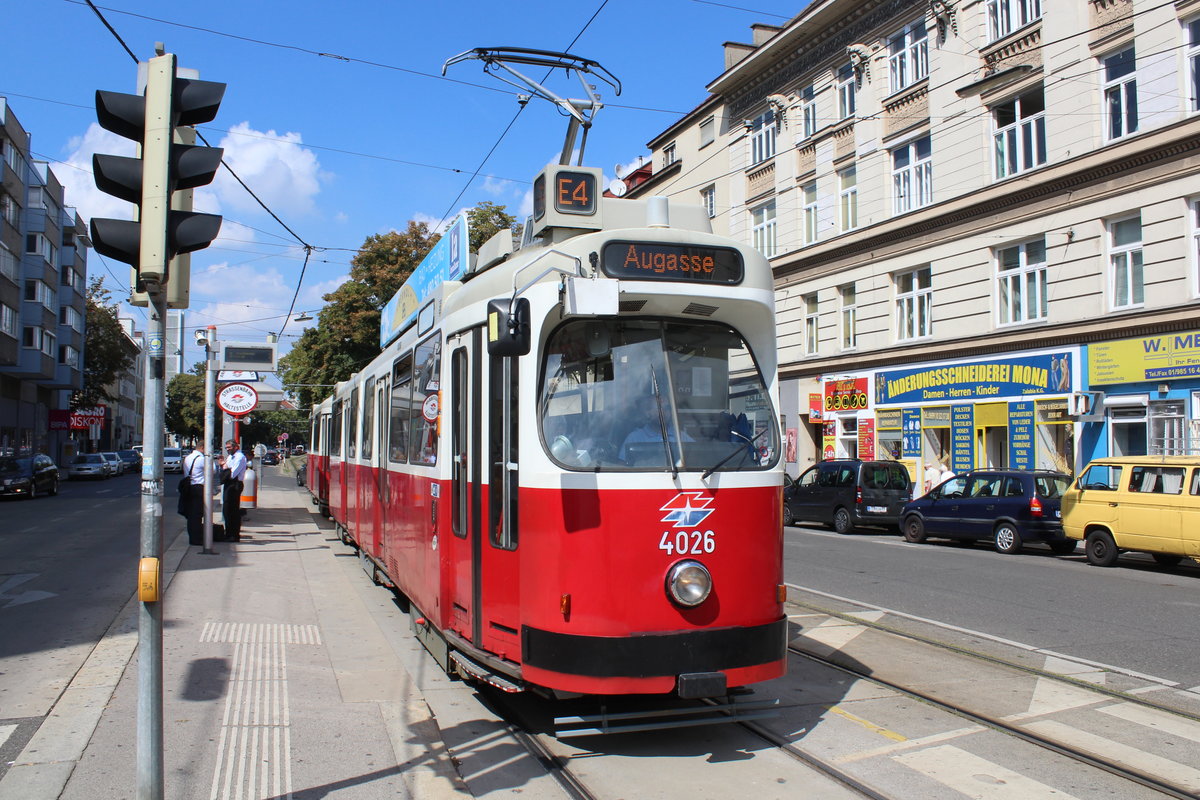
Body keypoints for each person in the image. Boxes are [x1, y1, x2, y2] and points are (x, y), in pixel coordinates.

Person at [219, 439, 248, 541]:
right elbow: (225, 470)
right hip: (229, 484)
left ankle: (234, 534)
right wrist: (224, 466)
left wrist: (225, 466)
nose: (227, 450)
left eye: (229, 448)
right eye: (226, 448)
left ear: (236, 447)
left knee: (232, 510)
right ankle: (228, 532)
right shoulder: (231, 456)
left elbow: (232, 474)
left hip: (234, 485)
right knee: (226, 509)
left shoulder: (239, 458)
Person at [181, 447, 207, 545]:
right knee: (197, 515)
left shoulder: (188, 457)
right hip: (198, 487)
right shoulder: (201, 459)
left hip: (189, 487)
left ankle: (193, 537)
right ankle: (196, 539)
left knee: (191, 514)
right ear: (203, 448)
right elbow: (212, 470)